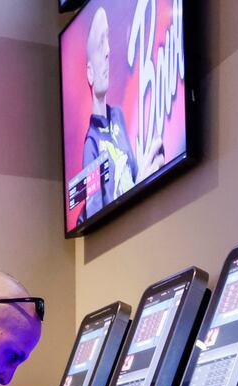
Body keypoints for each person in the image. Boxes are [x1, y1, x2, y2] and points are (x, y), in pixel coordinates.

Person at [75, 5, 139, 224]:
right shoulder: (91, 143)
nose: (108, 51)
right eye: (101, 43)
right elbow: (94, 214)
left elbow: (136, 176)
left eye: (108, 40)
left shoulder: (119, 116)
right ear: (90, 72)